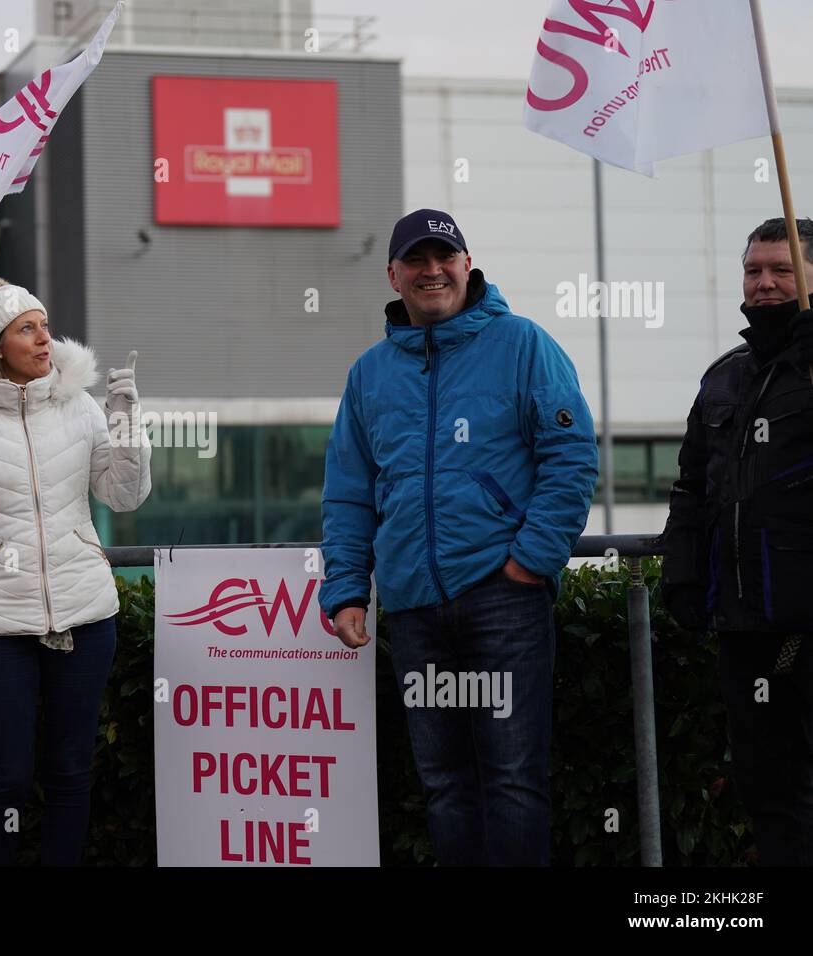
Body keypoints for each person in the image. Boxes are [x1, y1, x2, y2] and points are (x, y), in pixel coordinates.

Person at [319, 209, 598, 866]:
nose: (432, 270)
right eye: (416, 260)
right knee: (443, 787)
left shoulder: (523, 345)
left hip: (504, 601)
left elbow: (573, 458)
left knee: (511, 780)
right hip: (415, 608)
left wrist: (530, 563)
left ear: (468, 265)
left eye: (445, 256)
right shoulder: (369, 374)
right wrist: (345, 587)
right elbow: (349, 493)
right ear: (394, 274)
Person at [0, 276, 150, 866]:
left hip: (85, 617)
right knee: (7, 780)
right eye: (28, 328)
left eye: (45, 324)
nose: (45, 338)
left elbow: (123, 496)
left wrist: (124, 419)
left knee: (72, 772)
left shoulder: (81, 407)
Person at [660, 216, 813, 866]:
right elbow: (692, 486)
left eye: (784, 270)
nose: (767, 283)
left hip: (808, 626)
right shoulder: (723, 377)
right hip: (745, 627)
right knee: (765, 786)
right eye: (755, 270)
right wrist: (683, 572)